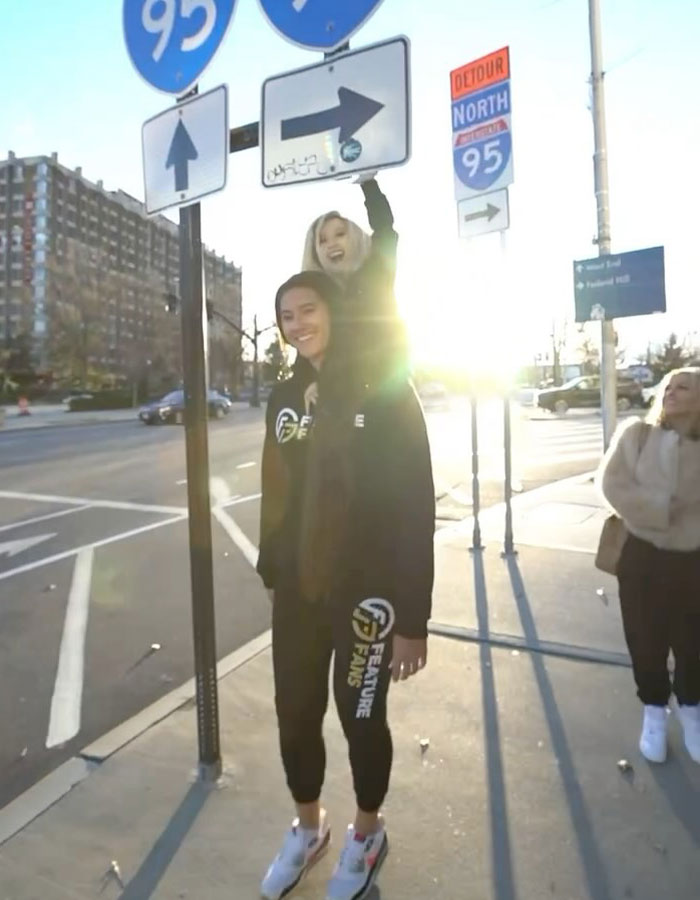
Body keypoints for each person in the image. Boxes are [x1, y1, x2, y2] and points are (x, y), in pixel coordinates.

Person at [257, 270, 435, 900]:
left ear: (334, 310)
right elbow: (276, 489)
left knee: (361, 716)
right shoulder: (285, 395)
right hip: (299, 591)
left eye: (308, 309)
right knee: (295, 712)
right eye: (286, 316)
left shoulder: (383, 387)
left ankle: (367, 832)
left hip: (368, 593)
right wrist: (272, 569)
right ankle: (310, 829)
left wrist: (412, 619)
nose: (298, 324)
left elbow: (416, 506)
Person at [597, 367, 700, 764]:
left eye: (683, 387)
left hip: (694, 559)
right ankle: (654, 712)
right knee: (644, 639)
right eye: (668, 386)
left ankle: (691, 709)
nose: (671, 392)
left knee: (693, 643)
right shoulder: (637, 435)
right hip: (642, 556)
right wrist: (660, 509)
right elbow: (612, 484)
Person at [300, 176, 409, 396]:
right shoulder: (316, 296)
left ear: (356, 238)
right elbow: (307, 347)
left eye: (340, 234)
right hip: (342, 397)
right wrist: (309, 381)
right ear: (315, 252)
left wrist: (368, 183)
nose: (332, 244)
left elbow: (384, 228)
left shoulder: (376, 272)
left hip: (388, 393)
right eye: (322, 240)